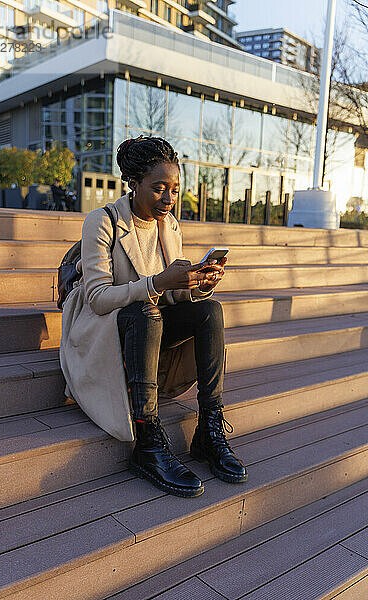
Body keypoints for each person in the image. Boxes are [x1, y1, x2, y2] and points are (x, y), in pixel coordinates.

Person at [60, 136, 247, 498]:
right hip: (103, 333)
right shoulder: (102, 221)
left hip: (150, 326)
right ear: (133, 183)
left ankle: (209, 429)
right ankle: (147, 440)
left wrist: (198, 284)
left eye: (174, 189)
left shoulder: (169, 225)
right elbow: (98, 299)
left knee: (209, 310)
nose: (168, 198)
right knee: (147, 310)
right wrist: (158, 282)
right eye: (159, 188)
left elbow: (172, 295)